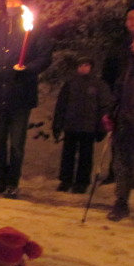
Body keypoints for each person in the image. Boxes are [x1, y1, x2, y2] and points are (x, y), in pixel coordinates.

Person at [0, 0, 52, 199]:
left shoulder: (35, 27)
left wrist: (27, 69)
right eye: (8, 0)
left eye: (16, 0)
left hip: (21, 95)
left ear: (23, 3)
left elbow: (45, 57)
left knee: (16, 145)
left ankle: (13, 183)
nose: (11, 3)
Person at [52, 56, 112, 193]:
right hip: (71, 124)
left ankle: (82, 181)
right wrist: (58, 123)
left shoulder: (98, 84)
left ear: (91, 67)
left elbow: (104, 105)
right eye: (80, 66)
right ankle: (65, 180)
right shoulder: (70, 83)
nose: (83, 68)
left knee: (86, 155)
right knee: (68, 154)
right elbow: (61, 105)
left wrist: (101, 125)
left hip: (88, 127)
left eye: (86, 65)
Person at [104, 5, 134, 222]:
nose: (132, 22)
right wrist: (110, 110)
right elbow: (117, 83)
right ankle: (121, 202)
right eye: (129, 18)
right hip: (125, 113)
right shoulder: (123, 49)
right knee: (122, 162)